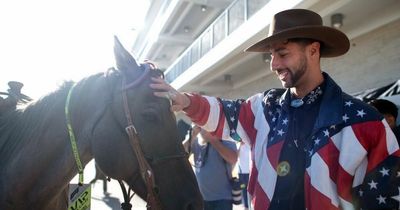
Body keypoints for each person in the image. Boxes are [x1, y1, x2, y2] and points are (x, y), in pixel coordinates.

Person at [151, 9, 400, 210]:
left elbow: (386, 200)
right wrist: (184, 101)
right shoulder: (264, 107)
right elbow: (227, 113)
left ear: (313, 50)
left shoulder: (366, 123)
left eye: (282, 53)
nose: (273, 64)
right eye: (271, 55)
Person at [183, 125, 238, 210]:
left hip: (222, 199)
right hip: (201, 199)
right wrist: (192, 136)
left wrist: (213, 140)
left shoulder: (224, 135)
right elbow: (180, 154)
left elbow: (233, 159)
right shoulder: (194, 137)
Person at [237, 142, 250, 210]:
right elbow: (235, 156)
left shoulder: (250, 143)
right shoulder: (238, 144)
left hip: (250, 172)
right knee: (243, 189)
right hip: (242, 173)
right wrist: (239, 145)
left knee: (250, 190)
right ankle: (245, 207)